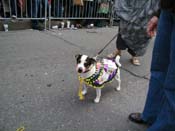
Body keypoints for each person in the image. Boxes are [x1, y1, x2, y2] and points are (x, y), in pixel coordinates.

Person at [128, 0, 175, 131]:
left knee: (173, 79)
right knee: (159, 69)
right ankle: (151, 114)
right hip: (168, 9)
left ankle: (164, 126)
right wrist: (158, 13)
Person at [107, 0, 159, 66]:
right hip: (129, 10)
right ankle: (118, 51)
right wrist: (125, 14)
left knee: (139, 36)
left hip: (144, 15)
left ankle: (134, 56)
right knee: (122, 33)